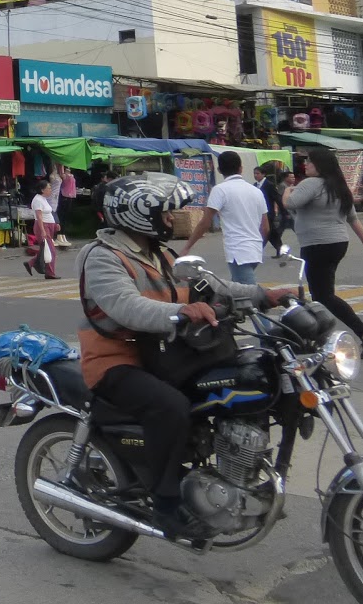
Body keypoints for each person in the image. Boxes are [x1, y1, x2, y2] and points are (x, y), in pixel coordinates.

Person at [79, 175, 291, 535]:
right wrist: (179, 313)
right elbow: (126, 307)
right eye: (165, 213)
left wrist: (262, 295)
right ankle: (166, 504)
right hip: (116, 360)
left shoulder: (161, 254)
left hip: (166, 354)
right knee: (170, 406)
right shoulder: (102, 258)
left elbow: (212, 288)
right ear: (137, 215)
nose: (171, 219)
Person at [286, 149, 363, 357]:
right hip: (338, 243)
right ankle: (344, 334)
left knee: (323, 295)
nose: (306, 166)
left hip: (317, 244)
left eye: (309, 163)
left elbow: (291, 203)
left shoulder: (310, 184)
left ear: (319, 165)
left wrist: (287, 190)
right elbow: (353, 218)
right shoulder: (338, 186)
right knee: (322, 293)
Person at [182, 150, 269, 284]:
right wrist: (258, 244)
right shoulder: (256, 191)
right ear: (241, 168)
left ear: (219, 169)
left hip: (237, 251)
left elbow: (205, 223)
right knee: (236, 288)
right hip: (256, 249)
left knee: (248, 294)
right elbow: (265, 228)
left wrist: (187, 246)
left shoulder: (220, 190)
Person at [25, 180, 59, 279]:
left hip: (48, 225)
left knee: (46, 249)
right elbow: (39, 217)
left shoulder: (44, 199)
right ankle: (50, 273)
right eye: (48, 188)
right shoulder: (37, 200)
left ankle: (32, 263)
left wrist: (55, 224)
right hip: (43, 226)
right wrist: (43, 230)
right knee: (51, 250)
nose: (50, 190)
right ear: (42, 189)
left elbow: (48, 213)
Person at [253, 165, 284, 255]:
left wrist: (283, 210)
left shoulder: (269, 185)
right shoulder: (255, 185)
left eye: (257, 173)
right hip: (258, 213)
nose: (255, 175)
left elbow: (276, 198)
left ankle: (259, 250)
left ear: (263, 174)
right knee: (271, 232)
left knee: (267, 231)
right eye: (254, 173)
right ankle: (280, 249)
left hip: (268, 212)